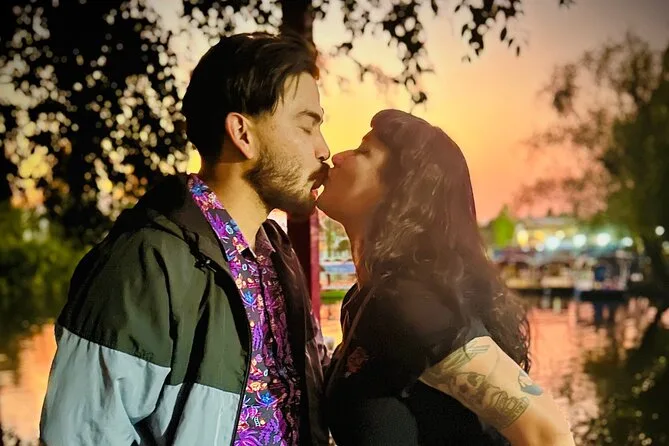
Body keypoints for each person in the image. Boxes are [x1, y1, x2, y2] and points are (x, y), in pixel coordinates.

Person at [40, 32, 331, 445]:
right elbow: (80, 435)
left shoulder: (275, 254)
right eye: (307, 126)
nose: (324, 149)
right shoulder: (145, 262)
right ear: (243, 133)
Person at [317, 109, 575, 446]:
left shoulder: (412, 303)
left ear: (400, 191)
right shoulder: (363, 298)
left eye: (363, 152)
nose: (337, 156)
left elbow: (548, 432)